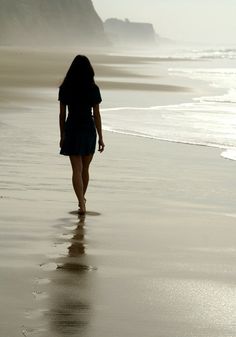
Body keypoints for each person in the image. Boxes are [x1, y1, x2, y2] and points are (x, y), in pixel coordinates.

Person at [59, 55, 105, 215]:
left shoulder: (65, 87)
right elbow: (97, 114)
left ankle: (81, 201)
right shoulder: (93, 88)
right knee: (85, 169)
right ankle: (82, 200)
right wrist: (101, 137)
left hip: (72, 128)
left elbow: (62, 114)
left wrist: (62, 134)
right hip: (88, 129)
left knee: (76, 170)